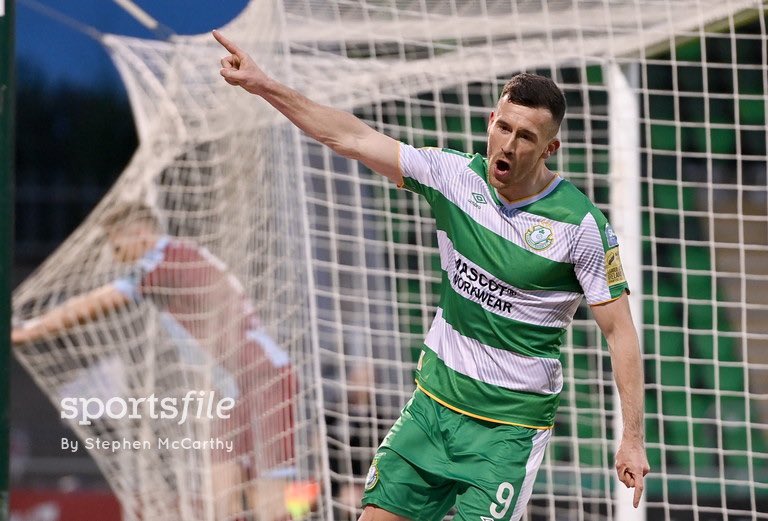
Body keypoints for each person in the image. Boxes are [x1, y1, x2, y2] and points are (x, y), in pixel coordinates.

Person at [213, 30, 650, 521]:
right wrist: (264, 85)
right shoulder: (453, 177)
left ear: (550, 148)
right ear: (490, 121)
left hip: (507, 431)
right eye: (503, 127)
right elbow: (351, 137)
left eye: (526, 136)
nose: (508, 144)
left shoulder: (582, 226)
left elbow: (621, 334)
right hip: (432, 407)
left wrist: (632, 438)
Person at [11, 201, 311, 521]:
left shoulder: (163, 263)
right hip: (233, 392)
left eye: (117, 245)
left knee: (271, 503)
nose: (114, 256)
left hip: (264, 380)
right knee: (219, 500)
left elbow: (95, 304)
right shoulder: (176, 260)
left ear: (140, 234)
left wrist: (29, 331)